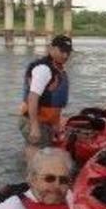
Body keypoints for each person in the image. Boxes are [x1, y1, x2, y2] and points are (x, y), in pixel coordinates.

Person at [19, 34, 72, 162]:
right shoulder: (43, 69)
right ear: (51, 49)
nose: (65, 55)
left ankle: (26, 167)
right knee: (37, 158)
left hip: (46, 122)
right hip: (36, 121)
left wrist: (56, 124)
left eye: (68, 52)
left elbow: (54, 104)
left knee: (38, 155)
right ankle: (30, 173)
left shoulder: (57, 68)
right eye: (62, 51)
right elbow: (33, 98)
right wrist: (34, 127)